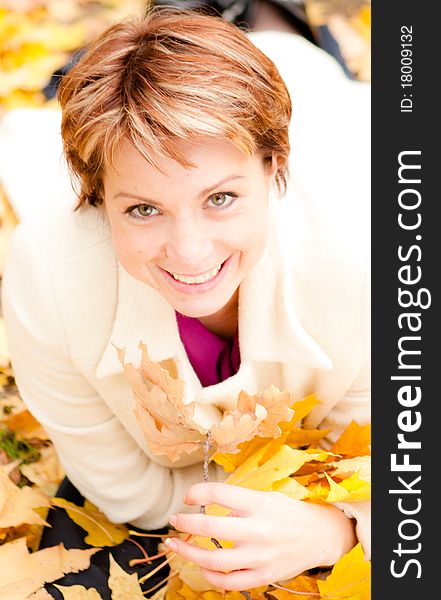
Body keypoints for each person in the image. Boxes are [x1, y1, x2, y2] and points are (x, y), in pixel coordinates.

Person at [2, 6, 370, 598]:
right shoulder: (49, 274)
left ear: (275, 167)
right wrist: (265, 518)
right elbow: (123, 488)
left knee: (293, 54)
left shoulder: (370, 249)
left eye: (221, 198)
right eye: (142, 209)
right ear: (99, 202)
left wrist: (341, 527)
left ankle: (267, 17)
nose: (191, 253)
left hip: (328, 110)